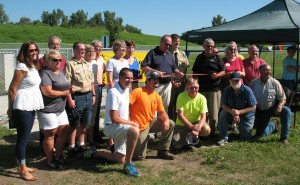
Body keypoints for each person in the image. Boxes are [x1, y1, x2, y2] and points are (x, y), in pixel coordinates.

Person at [83, 68, 140, 177]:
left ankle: (95, 153)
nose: (129, 80)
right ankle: (129, 165)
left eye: (131, 78)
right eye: (127, 78)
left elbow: (124, 112)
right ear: (120, 78)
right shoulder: (113, 92)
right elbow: (114, 118)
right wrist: (132, 123)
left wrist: (130, 122)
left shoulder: (126, 90)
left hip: (121, 127)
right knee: (134, 130)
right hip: (111, 128)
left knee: (120, 159)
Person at [7, 41, 44, 181]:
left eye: (35, 50)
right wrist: (10, 109)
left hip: (31, 104)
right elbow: (12, 89)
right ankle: (22, 170)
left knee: (25, 137)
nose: (34, 52)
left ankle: (23, 165)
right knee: (22, 139)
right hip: (22, 104)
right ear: (24, 52)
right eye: (31, 50)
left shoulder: (33, 66)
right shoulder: (22, 67)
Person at [37, 49, 73, 169]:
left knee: (63, 131)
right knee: (50, 134)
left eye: (59, 60)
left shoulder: (61, 72)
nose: (58, 62)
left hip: (60, 109)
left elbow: (66, 87)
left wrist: (69, 92)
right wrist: (64, 93)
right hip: (48, 110)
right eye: (55, 60)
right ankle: (50, 160)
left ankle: (58, 156)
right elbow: (47, 91)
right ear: (47, 61)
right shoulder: (45, 74)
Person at [129, 71, 176, 161]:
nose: (157, 81)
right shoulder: (138, 91)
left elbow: (162, 113)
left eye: (157, 79)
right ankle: (122, 149)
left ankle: (163, 150)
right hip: (138, 127)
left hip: (150, 123)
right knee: (140, 157)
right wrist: (130, 122)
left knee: (170, 123)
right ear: (148, 80)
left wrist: (166, 121)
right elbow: (127, 106)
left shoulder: (156, 96)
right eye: (154, 79)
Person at [65, 42, 96, 153]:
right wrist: (70, 99)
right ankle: (71, 146)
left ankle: (81, 144)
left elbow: (91, 81)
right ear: (74, 50)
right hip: (77, 97)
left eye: (84, 49)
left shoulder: (86, 63)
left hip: (88, 95)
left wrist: (93, 94)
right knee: (74, 123)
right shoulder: (70, 64)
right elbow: (67, 84)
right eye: (80, 49)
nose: (82, 51)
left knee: (84, 122)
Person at [250, 63, 291, 145]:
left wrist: (280, 105)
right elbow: (249, 98)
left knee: (286, 111)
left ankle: (284, 137)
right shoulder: (253, 83)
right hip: (259, 110)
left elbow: (283, 98)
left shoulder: (275, 83)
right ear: (260, 71)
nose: (268, 72)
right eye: (265, 70)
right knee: (260, 134)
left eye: (269, 70)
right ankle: (274, 125)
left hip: (272, 108)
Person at [141, 34, 184, 113]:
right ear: (161, 42)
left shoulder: (170, 54)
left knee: (164, 109)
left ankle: (162, 124)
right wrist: (156, 72)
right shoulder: (152, 52)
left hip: (167, 86)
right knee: (152, 109)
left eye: (170, 45)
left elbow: (174, 68)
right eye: (166, 44)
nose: (168, 47)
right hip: (154, 86)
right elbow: (144, 67)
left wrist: (178, 73)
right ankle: (152, 125)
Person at [192, 38, 225, 136]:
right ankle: (204, 131)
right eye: (208, 46)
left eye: (212, 46)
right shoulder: (199, 57)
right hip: (201, 89)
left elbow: (223, 71)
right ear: (204, 46)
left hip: (214, 89)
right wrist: (194, 83)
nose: (210, 48)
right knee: (202, 112)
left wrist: (217, 75)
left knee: (214, 112)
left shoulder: (217, 57)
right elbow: (194, 72)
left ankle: (213, 132)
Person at [217, 72, 257, 146]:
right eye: (233, 80)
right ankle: (223, 138)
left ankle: (273, 125)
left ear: (241, 80)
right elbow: (223, 105)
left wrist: (239, 112)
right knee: (223, 114)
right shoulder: (227, 90)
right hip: (232, 113)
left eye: (237, 80)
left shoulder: (247, 90)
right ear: (229, 81)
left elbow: (253, 106)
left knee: (245, 138)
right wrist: (233, 112)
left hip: (246, 116)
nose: (235, 82)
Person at [172, 77, 211, 150]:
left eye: (196, 87)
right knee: (177, 147)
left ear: (198, 87)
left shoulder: (202, 98)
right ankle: (188, 140)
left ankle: (192, 137)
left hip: (196, 123)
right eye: (191, 88)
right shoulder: (181, 96)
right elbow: (180, 116)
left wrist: (198, 127)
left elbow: (203, 117)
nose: (194, 90)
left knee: (207, 129)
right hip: (182, 125)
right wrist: (191, 127)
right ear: (186, 87)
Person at [168, 33, 189, 121]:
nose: (177, 43)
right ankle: (170, 123)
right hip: (170, 83)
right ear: (171, 42)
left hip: (181, 83)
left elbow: (185, 69)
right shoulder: (167, 54)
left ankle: (178, 123)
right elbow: (167, 69)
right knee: (170, 104)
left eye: (178, 41)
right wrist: (172, 82)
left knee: (179, 104)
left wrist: (182, 81)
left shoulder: (182, 54)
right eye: (175, 41)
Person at [84, 44, 102, 146]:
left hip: (96, 89)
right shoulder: (83, 64)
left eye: (92, 52)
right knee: (86, 116)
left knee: (93, 115)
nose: (91, 53)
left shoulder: (96, 63)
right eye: (88, 51)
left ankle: (91, 139)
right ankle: (83, 140)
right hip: (86, 91)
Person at [90, 40, 106, 143]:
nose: (99, 49)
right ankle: (88, 137)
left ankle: (96, 134)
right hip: (90, 88)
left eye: (100, 47)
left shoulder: (101, 59)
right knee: (90, 113)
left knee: (96, 113)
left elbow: (104, 71)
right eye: (97, 47)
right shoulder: (89, 59)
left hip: (99, 87)